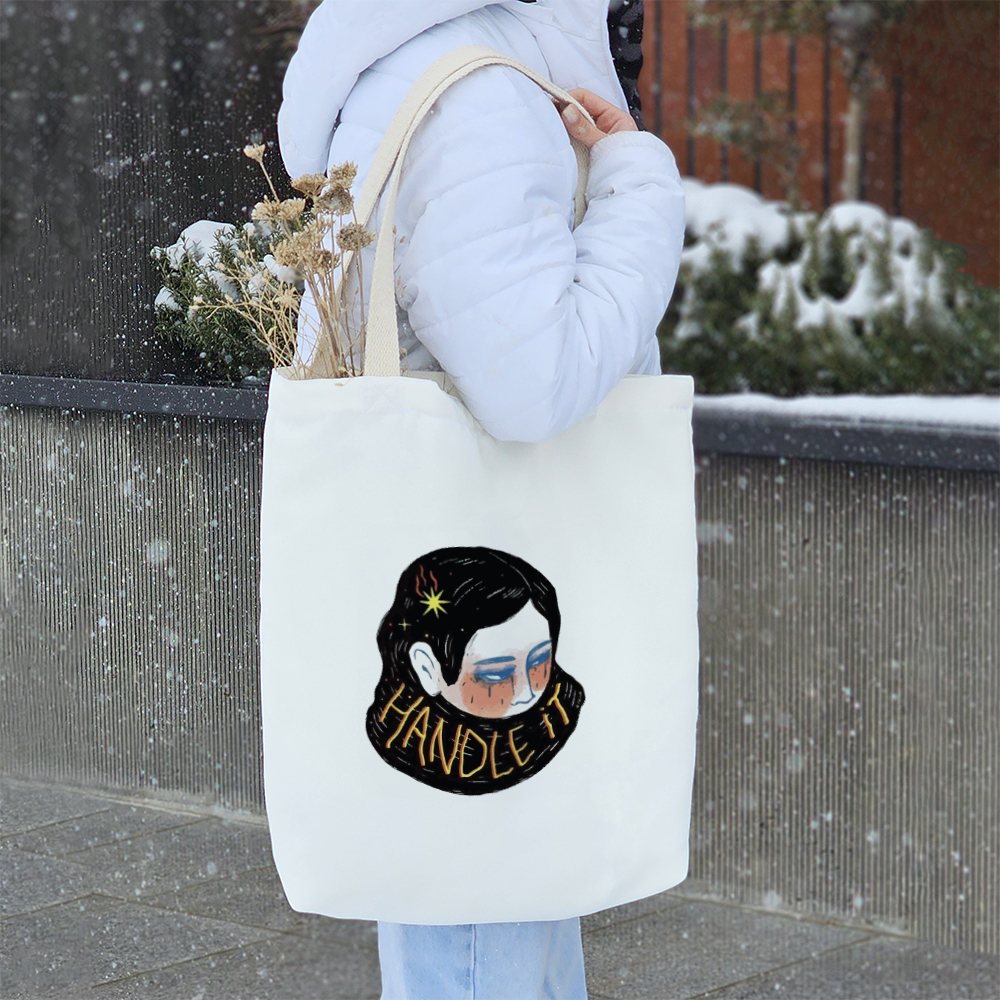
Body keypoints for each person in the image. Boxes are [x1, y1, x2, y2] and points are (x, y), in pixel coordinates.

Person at [277, 1, 685, 996]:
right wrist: (637, 185)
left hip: (462, 552)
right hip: (493, 538)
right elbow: (532, 384)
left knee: (490, 895)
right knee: (482, 919)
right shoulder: (479, 95)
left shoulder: (433, 61)